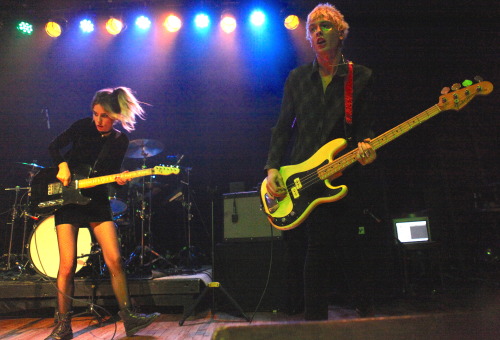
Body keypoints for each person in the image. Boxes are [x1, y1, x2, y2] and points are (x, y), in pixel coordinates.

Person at [264, 3, 377, 321]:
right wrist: (273, 167)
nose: (317, 32)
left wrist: (369, 147)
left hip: (344, 173)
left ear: (340, 33)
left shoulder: (361, 77)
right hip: (304, 177)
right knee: (318, 245)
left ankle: (366, 314)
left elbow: (364, 128)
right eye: (313, 28)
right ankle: (317, 321)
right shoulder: (297, 78)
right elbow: (282, 125)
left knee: (350, 245)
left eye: (325, 25)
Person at [45, 87, 159, 340]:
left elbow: (110, 173)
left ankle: (129, 317)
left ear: (116, 116)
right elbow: (54, 146)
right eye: (95, 114)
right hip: (68, 198)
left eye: (104, 116)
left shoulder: (120, 141)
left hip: (96, 199)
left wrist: (120, 180)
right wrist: (62, 165)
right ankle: (63, 326)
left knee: (115, 260)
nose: (98, 120)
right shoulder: (82, 126)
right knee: (67, 265)